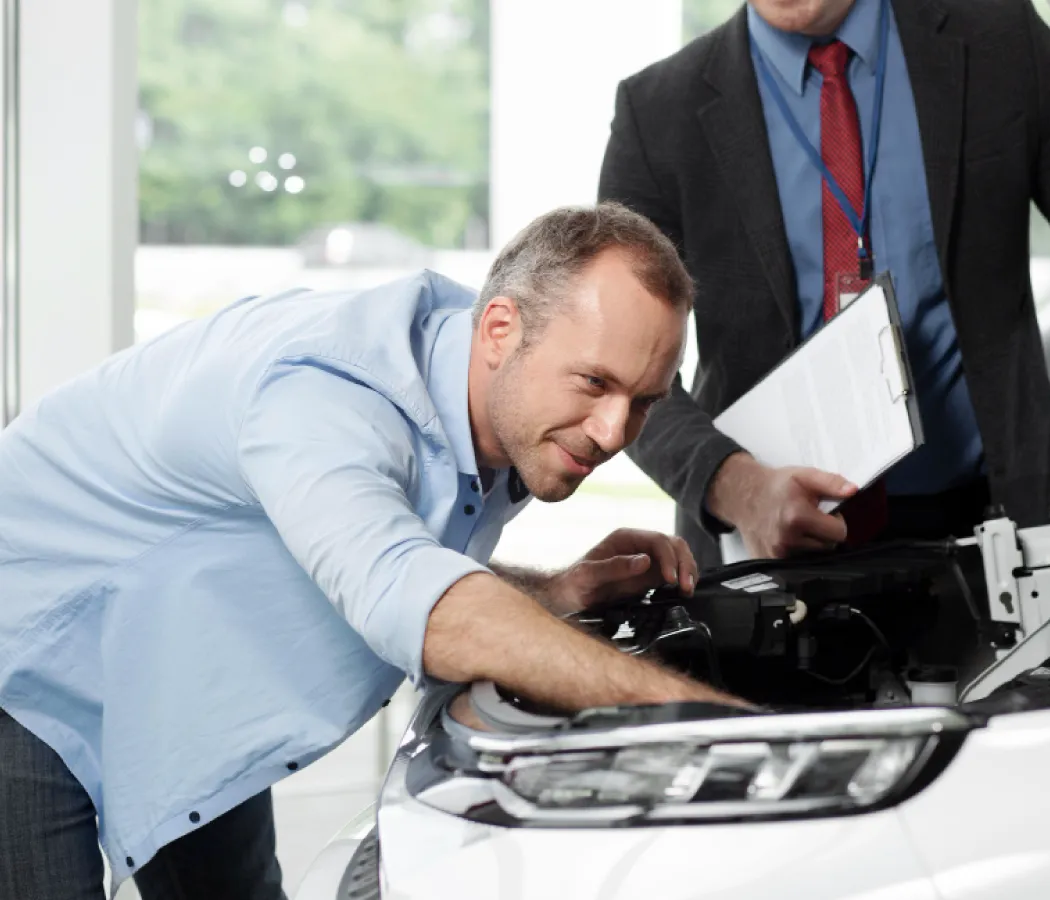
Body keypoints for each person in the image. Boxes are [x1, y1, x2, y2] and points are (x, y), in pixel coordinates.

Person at [0, 202, 743, 900]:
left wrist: (555, 593)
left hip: (178, 671)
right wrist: (725, 730)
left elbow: (390, 553)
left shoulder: (500, 393)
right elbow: (415, 601)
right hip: (31, 656)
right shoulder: (325, 394)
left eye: (644, 400)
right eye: (594, 383)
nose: (614, 432)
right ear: (499, 329)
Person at [598, 0, 1050, 568]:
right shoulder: (657, 112)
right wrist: (738, 486)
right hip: (764, 542)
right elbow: (617, 372)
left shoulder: (998, 39)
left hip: (991, 521)